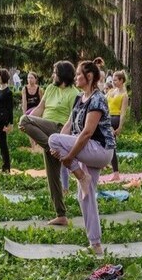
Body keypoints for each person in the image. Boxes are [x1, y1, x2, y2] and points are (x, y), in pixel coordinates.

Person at [48, 61, 116, 255]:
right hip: (88, 150)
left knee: (53, 139)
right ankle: (96, 244)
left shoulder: (98, 99)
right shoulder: (79, 98)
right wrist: (59, 148)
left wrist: (69, 157)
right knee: (85, 196)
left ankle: (81, 175)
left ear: (90, 77)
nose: (76, 77)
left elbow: (87, 133)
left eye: (79, 74)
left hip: (100, 150)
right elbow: (69, 125)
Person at [19, 61, 80, 222]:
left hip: (59, 130)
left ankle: (54, 147)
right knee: (52, 177)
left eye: (55, 72)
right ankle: (61, 215)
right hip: (46, 132)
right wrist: (31, 126)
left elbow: (72, 121)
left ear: (63, 75)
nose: (53, 75)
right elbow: (40, 108)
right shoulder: (51, 88)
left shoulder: (74, 94)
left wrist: (27, 122)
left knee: (24, 119)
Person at [106, 70, 129, 181]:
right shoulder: (110, 92)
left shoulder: (124, 95)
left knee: (112, 145)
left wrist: (120, 126)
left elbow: (123, 112)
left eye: (115, 80)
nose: (113, 82)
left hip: (115, 119)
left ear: (121, 80)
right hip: (107, 117)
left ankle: (116, 173)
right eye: (113, 80)